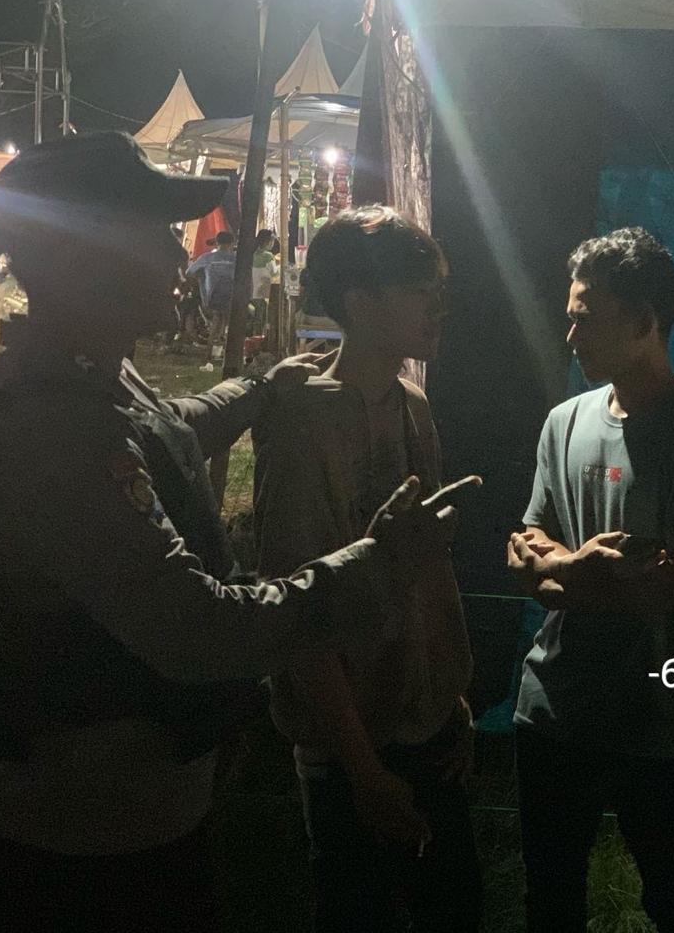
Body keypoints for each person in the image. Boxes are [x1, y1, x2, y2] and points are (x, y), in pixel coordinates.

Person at [0, 132, 454, 933]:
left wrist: (259, 388)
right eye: (156, 232)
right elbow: (199, 629)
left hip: (129, 826)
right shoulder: (50, 427)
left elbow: (166, 429)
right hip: (74, 853)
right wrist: (371, 565)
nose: (179, 254)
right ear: (84, 253)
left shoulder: (92, 375)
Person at [507, 226, 674, 933]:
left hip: (655, 716)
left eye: (586, 317)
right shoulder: (564, 421)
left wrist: (553, 574)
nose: (570, 334)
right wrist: (570, 566)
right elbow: (522, 551)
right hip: (553, 705)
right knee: (550, 893)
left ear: (644, 321)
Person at [253, 206, 482, 933]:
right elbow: (297, 608)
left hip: (425, 721)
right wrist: (362, 769)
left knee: (454, 908)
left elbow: (427, 566)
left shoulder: (414, 402)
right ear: (358, 303)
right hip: (350, 740)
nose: (438, 306)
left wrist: (448, 692)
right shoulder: (305, 421)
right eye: (419, 290)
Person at [188, 229, 238, 359]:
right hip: (231, 297)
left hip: (211, 298)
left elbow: (189, 273)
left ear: (217, 243)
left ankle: (211, 351)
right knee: (222, 323)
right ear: (232, 243)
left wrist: (201, 280)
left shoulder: (207, 258)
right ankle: (218, 350)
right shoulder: (236, 259)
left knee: (217, 322)